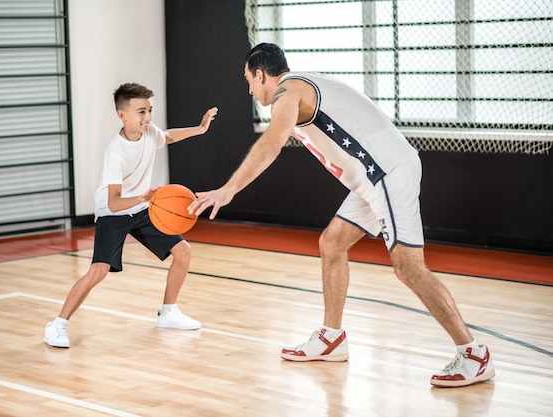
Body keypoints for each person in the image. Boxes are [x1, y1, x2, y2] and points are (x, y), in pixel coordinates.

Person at [187, 43, 494, 388]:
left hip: (386, 173)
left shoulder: (288, 91)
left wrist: (228, 189)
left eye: (249, 80)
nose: (249, 89)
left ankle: (473, 354)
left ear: (261, 74)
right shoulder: (304, 85)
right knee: (332, 243)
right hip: (372, 177)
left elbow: (273, 142)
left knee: (408, 266)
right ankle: (332, 338)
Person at [45, 82, 218, 348]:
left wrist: (200, 128)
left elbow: (168, 136)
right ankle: (57, 325)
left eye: (149, 110)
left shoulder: (150, 133)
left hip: (142, 208)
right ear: (122, 115)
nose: (148, 117)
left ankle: (169, 312)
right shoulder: (116, 152)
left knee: (183, 252)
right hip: (113, 213)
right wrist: (141, 198)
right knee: (98, 272)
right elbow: (113, 203)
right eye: (141, 112)